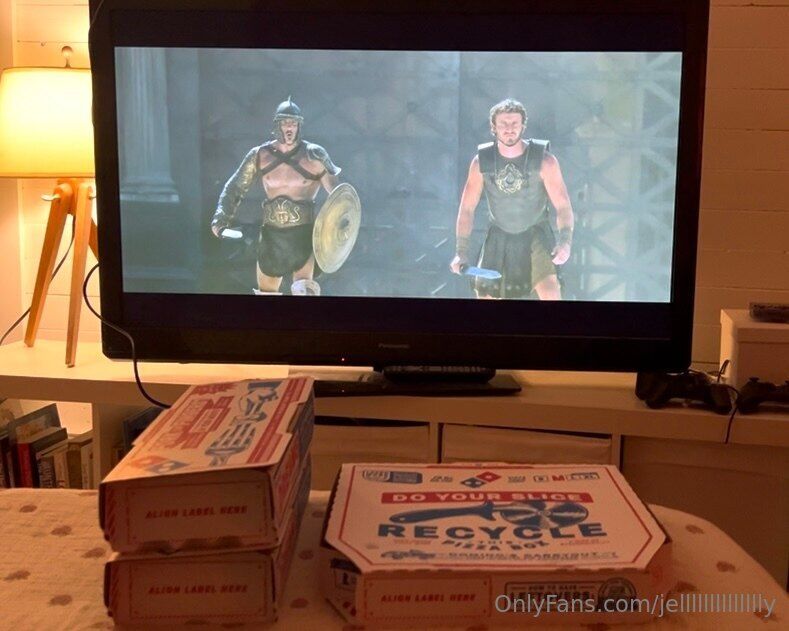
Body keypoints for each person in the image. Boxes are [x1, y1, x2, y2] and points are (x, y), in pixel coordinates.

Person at [211, 97, 341, 295]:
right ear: (277, 125)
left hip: (304, 235)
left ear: (299, 126)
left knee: (303, 291)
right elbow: (235, 187)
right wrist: (221, 219)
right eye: (285, 122)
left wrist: (341, 223)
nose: (289, 128)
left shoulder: (315, 156)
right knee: (266, 296)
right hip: (271, 236)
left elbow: (339, 196)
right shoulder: (260, 155)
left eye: (293, 123)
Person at [450, 98, 574, 299]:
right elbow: (466, 209)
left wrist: (565, 242)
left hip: (536, 234)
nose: (509, 129)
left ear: (523, 125)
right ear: (494, 127)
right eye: (503, 124)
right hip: (499, 236)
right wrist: (461, 252)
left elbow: (563, 206)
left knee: (550, 292)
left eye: (514, 123)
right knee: (487, 297)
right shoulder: (481, 162)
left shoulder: (545, 162)